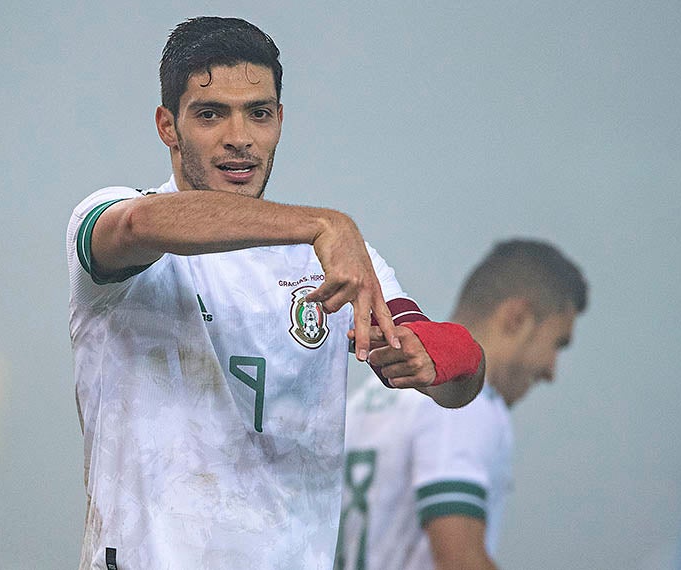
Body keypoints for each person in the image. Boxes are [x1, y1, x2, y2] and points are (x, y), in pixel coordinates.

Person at [66, 16, 484, 570]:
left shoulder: (337, 258)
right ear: (168, 125)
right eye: (211, 114)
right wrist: (323, 223)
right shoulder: (117, 219)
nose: (239, 138)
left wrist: (435, 361)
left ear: (279, 120)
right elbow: (140, 226)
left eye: (258, 113)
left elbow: (459, 374)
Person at [335, 239, 589, 570]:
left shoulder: (373, 396)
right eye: (557, 344)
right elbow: (460, 561)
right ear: (517, 318)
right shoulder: (467, 405)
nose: (551, 370)